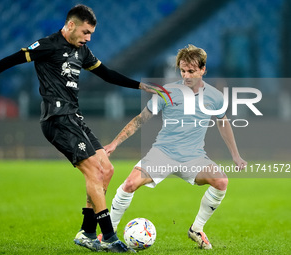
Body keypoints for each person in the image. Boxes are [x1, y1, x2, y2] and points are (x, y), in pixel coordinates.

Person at [0, 4, 159, 253]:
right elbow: (12, 59)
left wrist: (143, 86)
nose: (88, 39)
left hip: (74, 118)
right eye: (86, 32)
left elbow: (107, 74)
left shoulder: (82, 51)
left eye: (91, 35)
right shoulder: (48, 45)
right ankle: (108, 237)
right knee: (95, 173)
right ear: (71, 25)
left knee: (106, 169)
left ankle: (87, 232)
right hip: (57, 119)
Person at [104, 44, 247, 250]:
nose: (186, 75)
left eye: (191, 71)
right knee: (128, 185)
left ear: (203, 70)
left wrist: (236, 155)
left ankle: (196, 229)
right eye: (182, 70)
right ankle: (109, 233)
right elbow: (141, 119)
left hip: (194, 157)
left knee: (221, 181)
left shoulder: (215, 96)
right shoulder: (167, 92)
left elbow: (223, 123)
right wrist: (115, 143)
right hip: (163, 154)